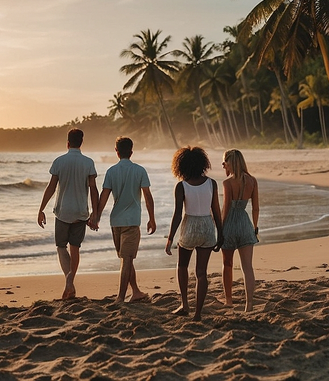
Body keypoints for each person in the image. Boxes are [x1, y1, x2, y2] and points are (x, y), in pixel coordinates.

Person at [90, 136, 156, 303]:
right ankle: (120, 297)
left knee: (126, 259)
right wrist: (152, 218)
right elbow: (147, 196)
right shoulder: (139, 170)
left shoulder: (111, 171)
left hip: (116, 221)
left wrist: (96, 216)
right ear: (131, 152)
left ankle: (135, 292)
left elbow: (104, 196)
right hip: (132, 221)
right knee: (126, 260)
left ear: (116, 152)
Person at [37, 128, 98, 300]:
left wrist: (41, 209)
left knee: (61, 246)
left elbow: (51, 187)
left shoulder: (59, 161)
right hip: (81, 211)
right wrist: (95, 212)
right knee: (75, 247)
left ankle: (68, 280)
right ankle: (71, 279)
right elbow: (93, 189)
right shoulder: (88, 163)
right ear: (81, 142)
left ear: (68, 142)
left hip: (63, 211)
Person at [165, 146, 223, 321]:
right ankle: (198, 313)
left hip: (189, 226)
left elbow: (177, 215)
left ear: (181, 166)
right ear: (202, 163)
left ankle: (184, 304)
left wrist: (170, 238)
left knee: (182, 266)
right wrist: (221, 233)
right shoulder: (211, 183)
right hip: (207, 227)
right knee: (201, 272)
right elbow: (216, 211)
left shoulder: (181, 186)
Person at [220, 149, 259, 312]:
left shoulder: (227, 183)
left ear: (230, 163)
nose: (223, 166)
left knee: (227, 264)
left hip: (229, 224)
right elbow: (255, 208)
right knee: (247, 267)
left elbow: (226, 207)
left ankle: (229, 300)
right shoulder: (252, 181)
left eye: (224, 163)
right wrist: (254, 227)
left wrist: (220, 227)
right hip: (245, 223)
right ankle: (249, 304)